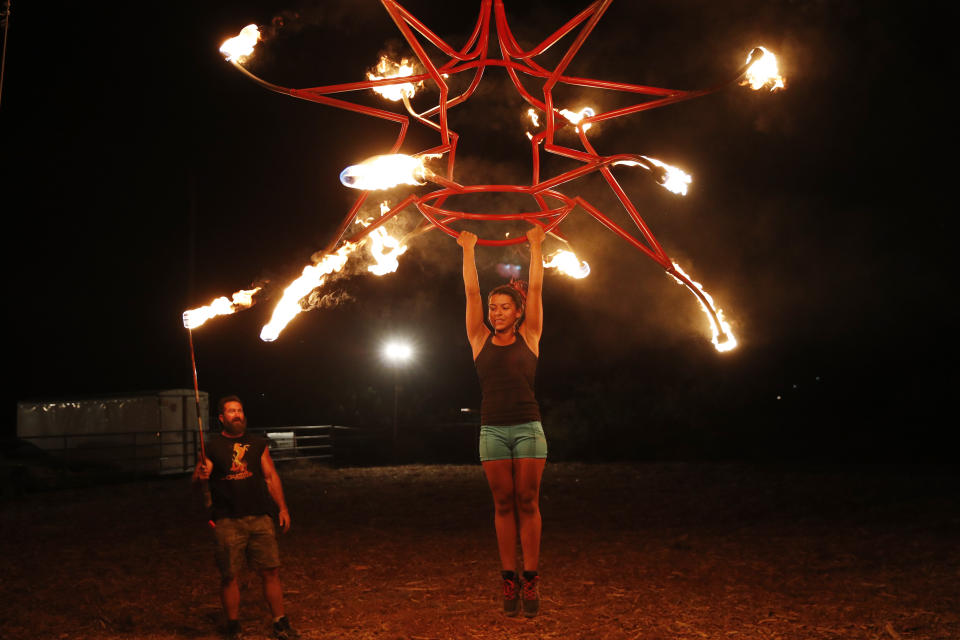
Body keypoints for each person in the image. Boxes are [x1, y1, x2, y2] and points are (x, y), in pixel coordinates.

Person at [457, 225, 547, 618]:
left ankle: (531, 577)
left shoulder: (531, 335)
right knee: (502, 502)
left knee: (527, 501)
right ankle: (507, 577)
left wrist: (537, 245)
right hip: (492, 428)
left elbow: (539, 289)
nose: (495, 312)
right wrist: (468, 249)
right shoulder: (478, 338)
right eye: (493, 308)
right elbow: (471, 292)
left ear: (518, 312)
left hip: (528, 427)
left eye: (503, 307)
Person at [194, 395, 298, 640]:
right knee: (230, 575)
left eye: (239, 410)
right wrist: (200, 475)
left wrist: (282, 508)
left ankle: (279, 622)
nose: (237, 414)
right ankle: (233, 626)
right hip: (227, 519)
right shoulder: (212, 446)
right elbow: (199, 478)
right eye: (231, 411)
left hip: (260, 517)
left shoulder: (257, 444)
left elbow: (271, 477)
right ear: (221, 418)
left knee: (271, 571)